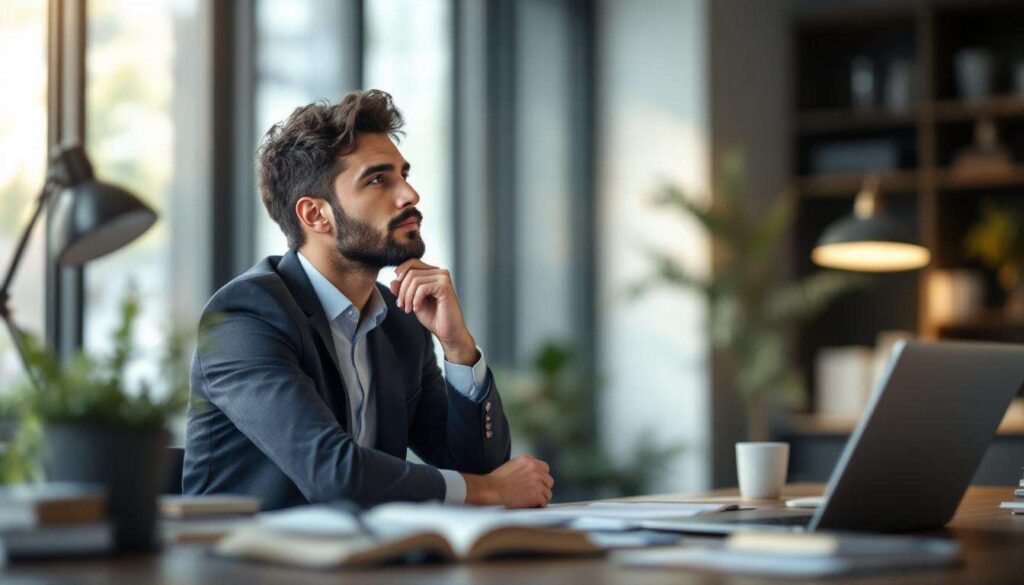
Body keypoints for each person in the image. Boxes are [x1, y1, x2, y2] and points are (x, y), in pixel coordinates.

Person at [183, 90, 553, 510]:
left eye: (403, 174)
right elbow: (333, 474)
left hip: (367, 563)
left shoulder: (400, 320)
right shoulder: (246, 317)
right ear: (315, 215)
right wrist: (490, 491)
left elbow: (477, 467)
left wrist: (458, 348)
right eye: (378, 180)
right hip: (248, 567)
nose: (409, 194)